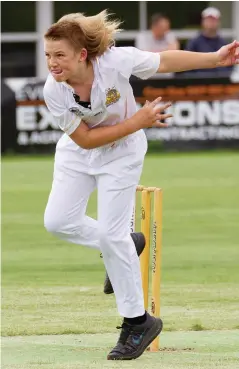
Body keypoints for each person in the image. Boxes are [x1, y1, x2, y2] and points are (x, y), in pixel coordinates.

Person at [43, 10, 239, 360]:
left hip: (122, 155)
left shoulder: (116, 61)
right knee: (58, 222)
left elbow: (164, 61)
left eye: (60, 55)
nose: (52, 63)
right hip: (79, 152)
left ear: (82, 55)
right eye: (48, 55)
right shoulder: (52, 89)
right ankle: (126, 243)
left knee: (111, 235)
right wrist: (138, 120)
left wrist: (215, 57)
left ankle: (138, 321)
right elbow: (86, 140)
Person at [185, 7, 233, 77]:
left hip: (220, 83)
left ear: (219, 22)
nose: (211, 23)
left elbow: (229, 67)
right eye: (208, 20)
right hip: (199, 83)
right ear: (202, 22)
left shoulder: (224, 44)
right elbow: (187, 65)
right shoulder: (194, 43)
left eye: (214, 20)